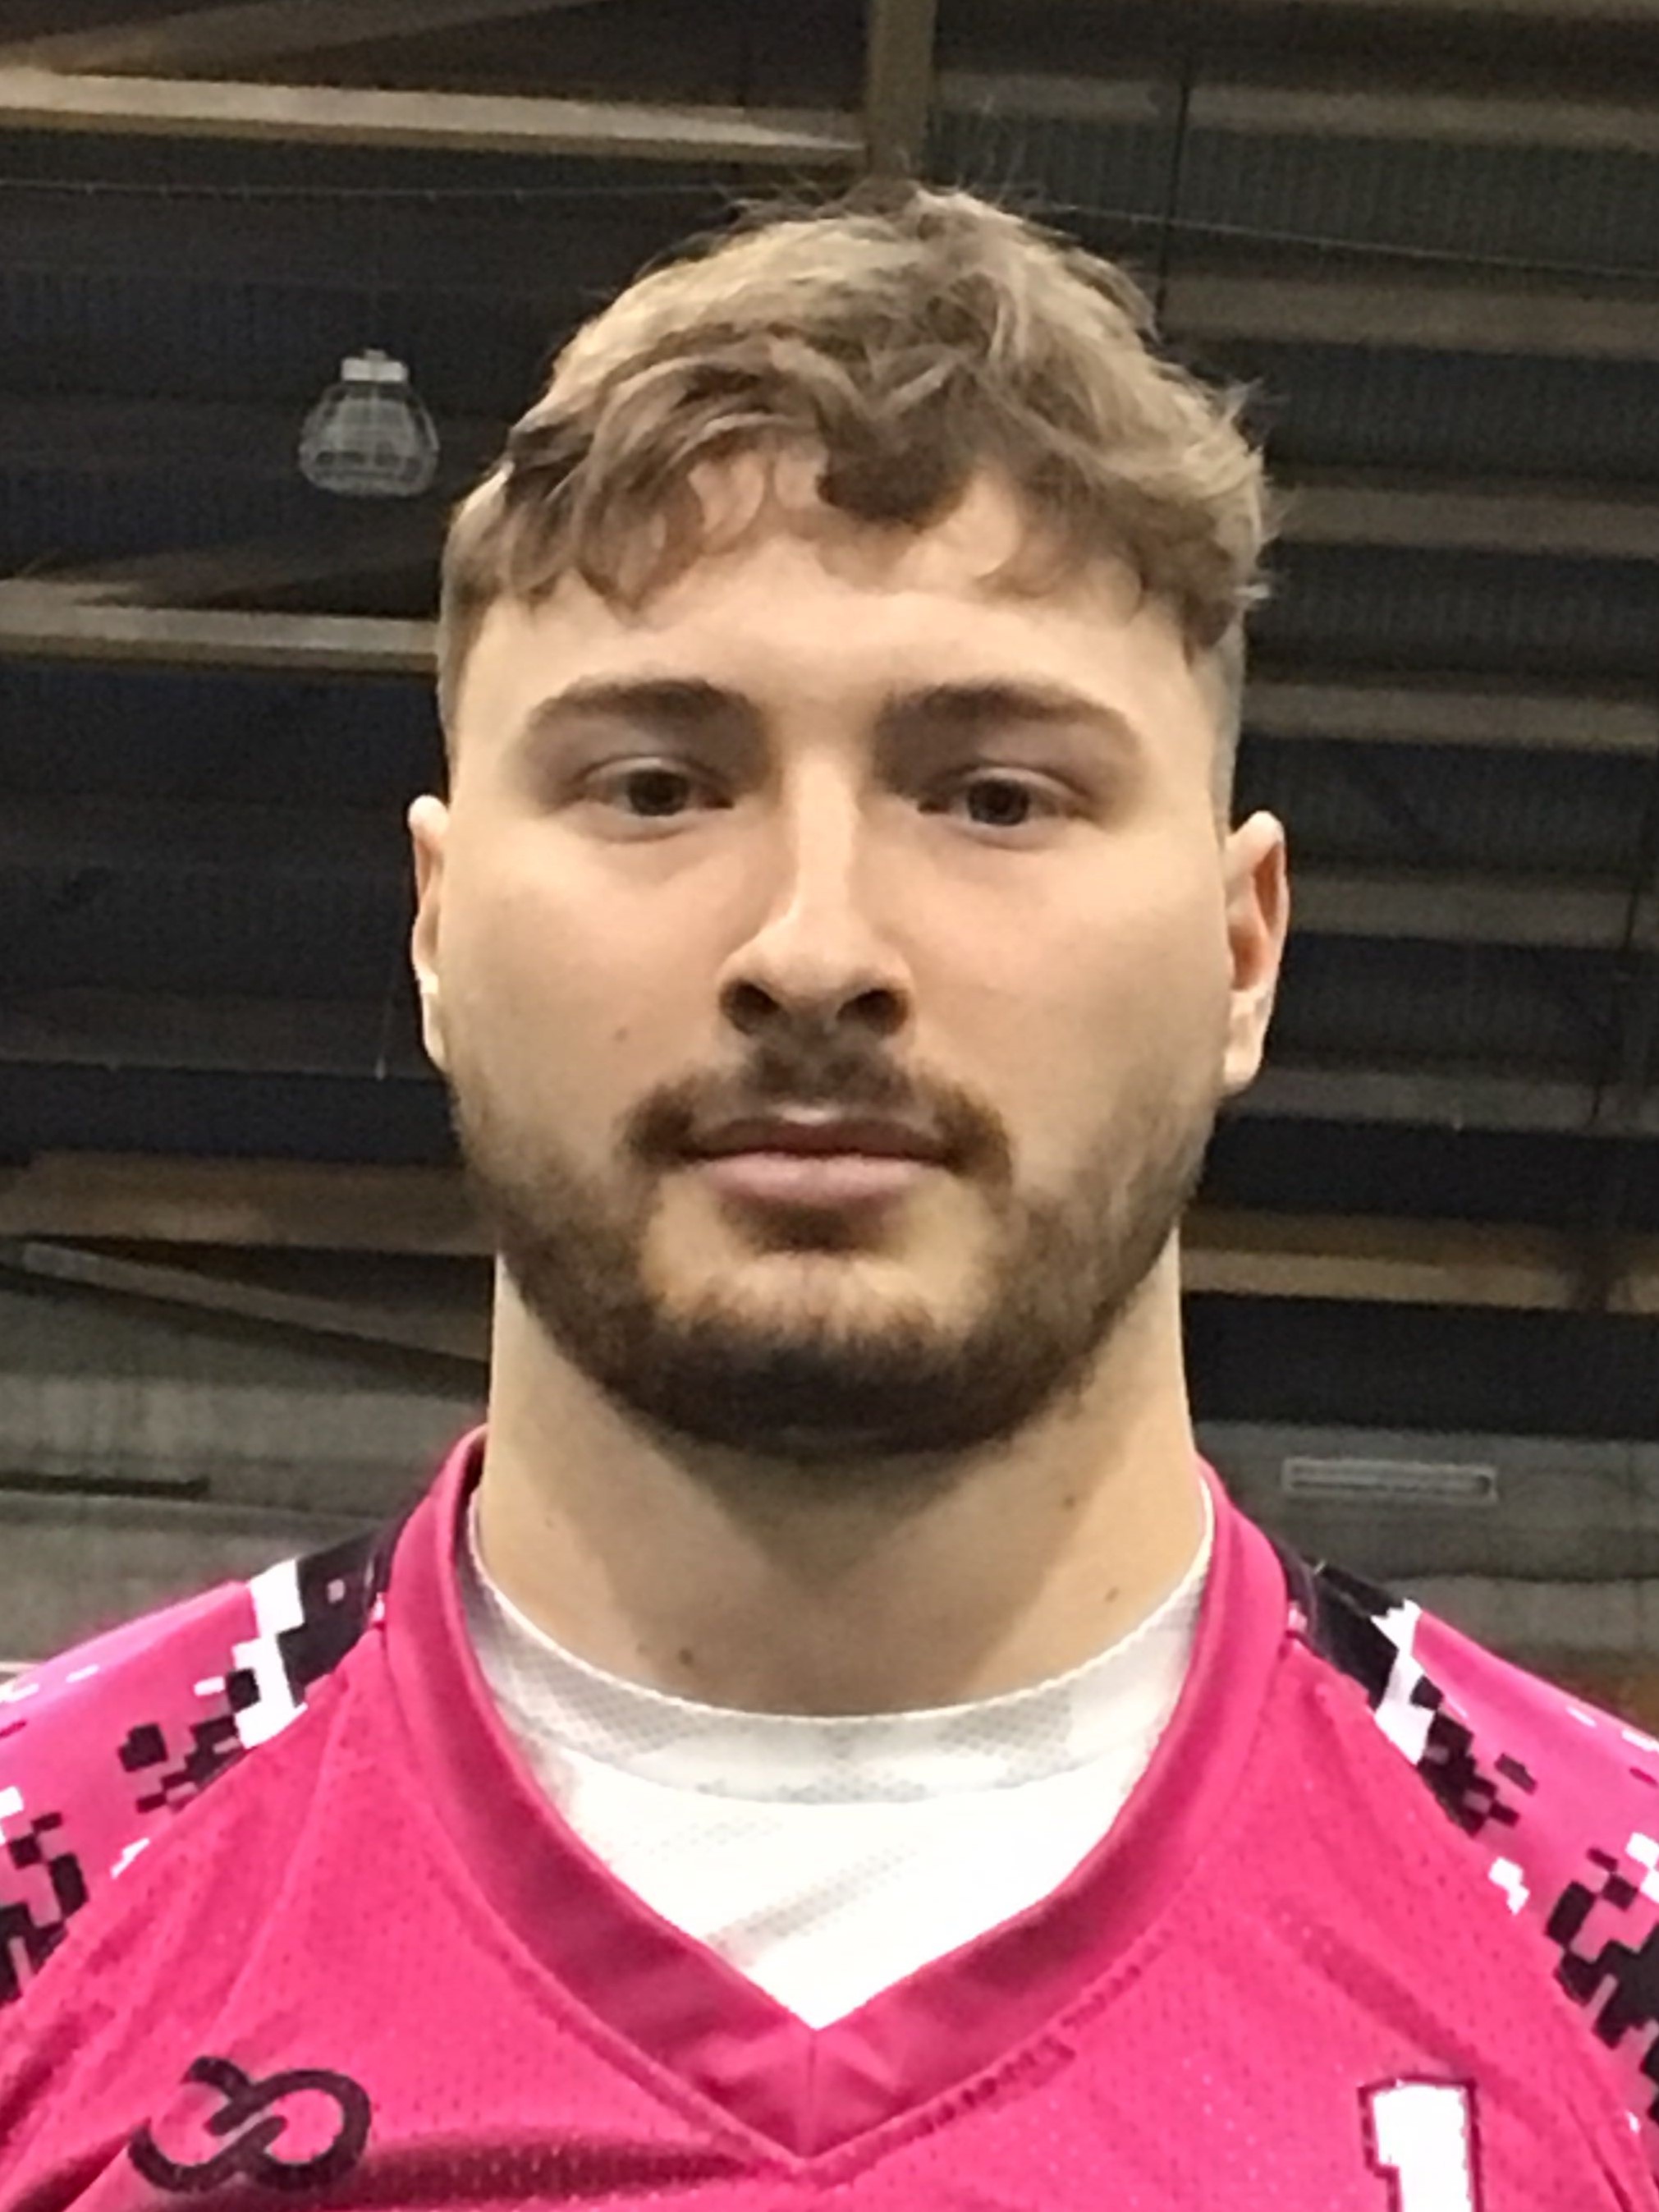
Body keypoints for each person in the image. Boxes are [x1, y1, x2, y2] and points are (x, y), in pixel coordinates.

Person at [2, 183, 1655, 2211]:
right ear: (435, 927)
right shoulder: (44, 1895)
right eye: (655, 787)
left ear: (1243, 952)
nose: (814, 947)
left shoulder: (1612, 1962)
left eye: (996, 796)